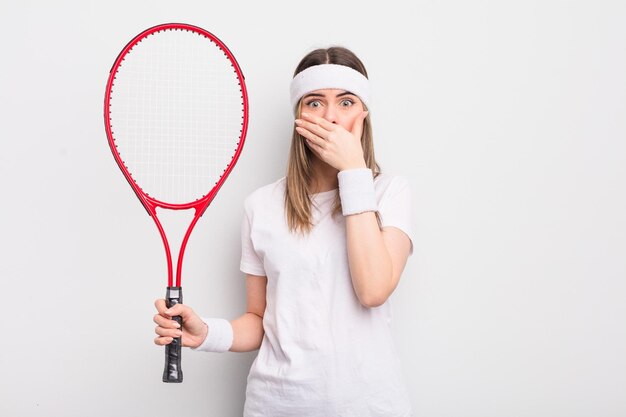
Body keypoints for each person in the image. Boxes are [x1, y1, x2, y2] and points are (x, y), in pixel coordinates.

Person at [153, 46, 415, 416]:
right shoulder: (261, 205)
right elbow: (260, 321)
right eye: (313, 103)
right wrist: (206, 333)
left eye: (345, 102)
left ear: (364, 114)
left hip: (369, 405)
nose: (330, 117)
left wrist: (353, 170)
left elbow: (373, 289)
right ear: (298, 116)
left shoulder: (390, 192)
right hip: (276, 405)